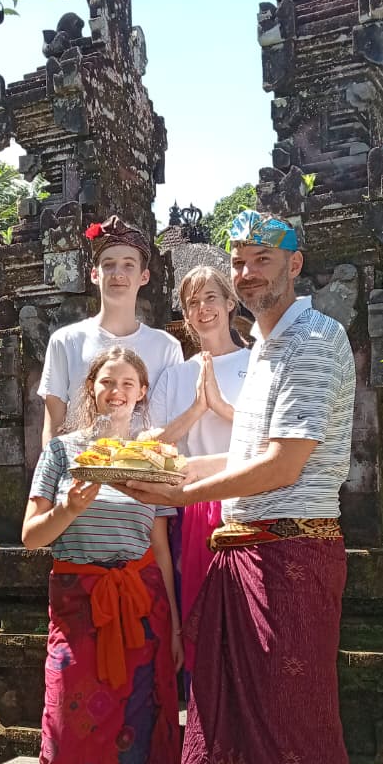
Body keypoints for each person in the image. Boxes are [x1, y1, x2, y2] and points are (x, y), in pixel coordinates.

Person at [123, 209, 356, 764]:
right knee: (242, 724)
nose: (250, 272)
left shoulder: (314, 342)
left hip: (294, 553)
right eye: (241, 261)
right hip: (244, 548)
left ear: (296, 261)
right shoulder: (264, 351)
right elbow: (234, 464)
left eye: (263, 259)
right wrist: (153, 474)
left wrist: (181, 496)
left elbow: (285, 467)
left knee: (300, 722)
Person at [22, 346, 183, 764]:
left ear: (142, 391)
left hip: (138, 608)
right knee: (64, 730)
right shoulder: (63, 452)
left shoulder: (153, 458)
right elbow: (32, 537)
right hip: (76, 605)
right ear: (90, 389)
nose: (118, 391)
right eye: (107, 382)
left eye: (129, 383)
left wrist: (177, 626)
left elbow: (161, 548)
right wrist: (67, 507)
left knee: (126, 736)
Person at [149, 266, 249, 675]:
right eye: (193, 302)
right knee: (200, 625)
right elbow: (151, 448)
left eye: (211, 297)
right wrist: (196, 410)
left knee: (246, 626)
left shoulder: (257, 361)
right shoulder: (175, 375)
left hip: (248, 503)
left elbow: (276, 438)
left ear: (230, 303)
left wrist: (223, 408)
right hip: (191, 510)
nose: (202, 308)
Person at [37, 215, 182, 446]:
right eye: (108, 265)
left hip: (142, 474)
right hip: (81, 472)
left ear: (143, 276)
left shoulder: (167, 348)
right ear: (95, 274)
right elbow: (53, 427)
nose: (118, 274)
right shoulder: (65, 341)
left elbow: (173, 426)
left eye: (128, 265)